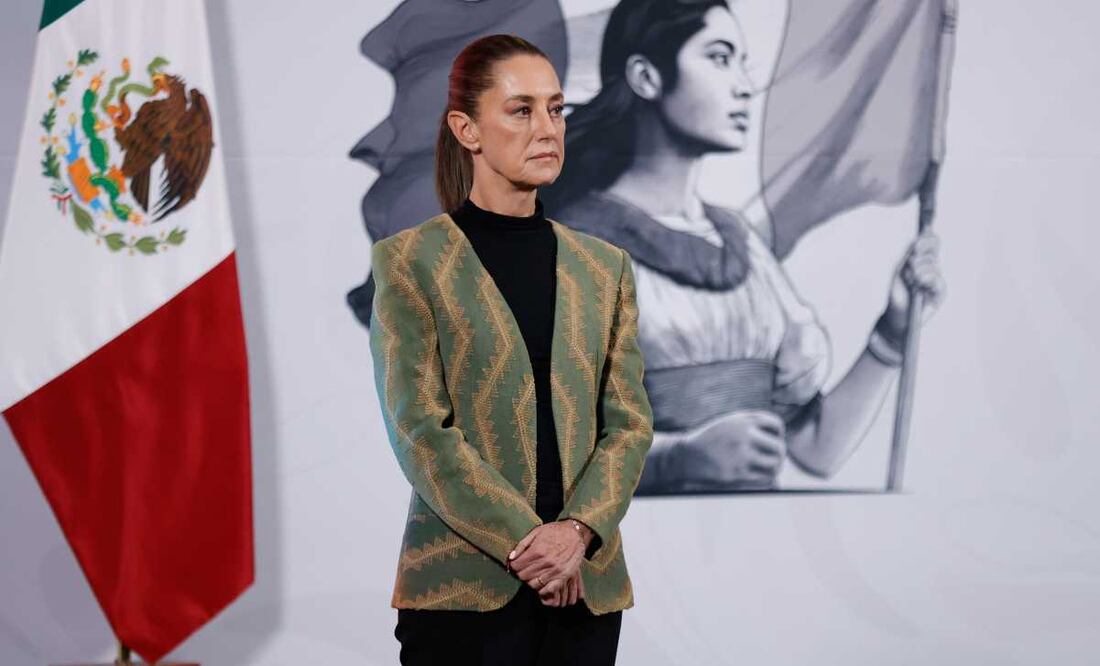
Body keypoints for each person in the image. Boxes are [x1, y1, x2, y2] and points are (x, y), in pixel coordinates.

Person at [542, 0, 946, 493]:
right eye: (718, 57)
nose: (743, 85)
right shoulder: (574, 246)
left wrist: (893, 331)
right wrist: (678, 460)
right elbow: (540, 454)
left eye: (741, 62)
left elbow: (816, 449)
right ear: (647, 77)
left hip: (754, 548)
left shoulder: (743, 247)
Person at [368, 34, 654, 665]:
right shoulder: (411, 262)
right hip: (461, 597)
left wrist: (576, 534)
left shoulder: (606, 268)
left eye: (556, 109)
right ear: (466, 128)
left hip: (583, 594)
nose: (547, 128)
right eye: (521, 110)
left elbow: (629, 425)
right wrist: (535, 544)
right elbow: (419, 429)